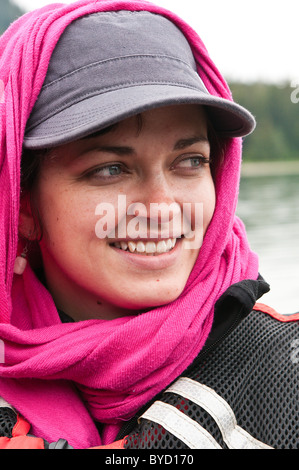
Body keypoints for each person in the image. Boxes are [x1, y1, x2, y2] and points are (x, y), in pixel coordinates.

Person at [0, 0, 297, 450]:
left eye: (190, 161)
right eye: (110, 169)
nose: (162, 207)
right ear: (22, 204)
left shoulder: (285, 371)